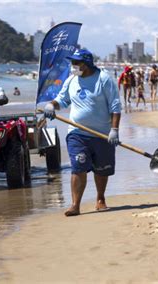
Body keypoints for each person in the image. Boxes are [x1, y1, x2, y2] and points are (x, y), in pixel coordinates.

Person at [43, 49, 121, 217]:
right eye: (72, 63)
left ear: (86, 64)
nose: (73, 66)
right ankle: (75, 205)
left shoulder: (104, 79)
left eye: (76, 63)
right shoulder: (71, 80)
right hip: (77, 133)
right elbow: (62, 100)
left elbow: (115, 107)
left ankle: (100, 199)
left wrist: (114, 130)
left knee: (101, 169)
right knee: (78, 167)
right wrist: (51, 105)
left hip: (102, 134)